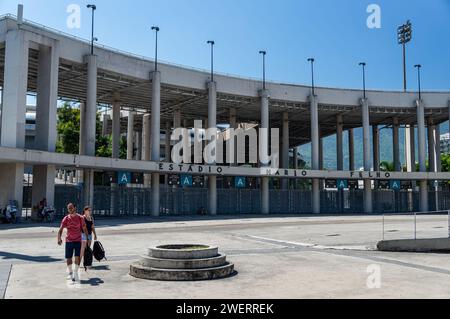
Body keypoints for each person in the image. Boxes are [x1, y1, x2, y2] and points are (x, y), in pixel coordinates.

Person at [57, 203, 89, 282]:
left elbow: (84, 228)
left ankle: (75, 272)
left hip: (78, 240)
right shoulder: (66, 218)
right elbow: (61, 229)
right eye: (68, 208)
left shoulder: (80, 218)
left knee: (77, 257)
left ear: (75, 208)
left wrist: (87, 238)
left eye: (71, 208)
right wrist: (59, 238)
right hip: (69, 241)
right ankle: (70, 273)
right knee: (69, 258)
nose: (70, 209)